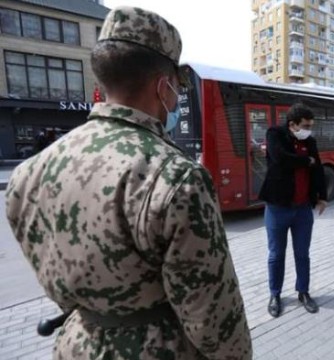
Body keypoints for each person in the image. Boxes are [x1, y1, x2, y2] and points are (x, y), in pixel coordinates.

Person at [5, 6, 252, 360]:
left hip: (76, 343)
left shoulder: (28, 173)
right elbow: (212, 314)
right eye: (178, 87)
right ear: (163, 86)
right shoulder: (176, 176)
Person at [259, 102, 328, 318]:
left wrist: (323, 197)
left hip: (302, 211)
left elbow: (317, 168)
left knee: (302, 254)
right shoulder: (275, 134)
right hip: (277, 208)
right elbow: (280, 159)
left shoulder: (310, 141)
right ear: (292, 125)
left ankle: (303, 292)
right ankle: (275, 295)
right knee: (276, 255)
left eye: (311, 126)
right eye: (306, 125)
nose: (309, 129)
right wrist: (305, 160)